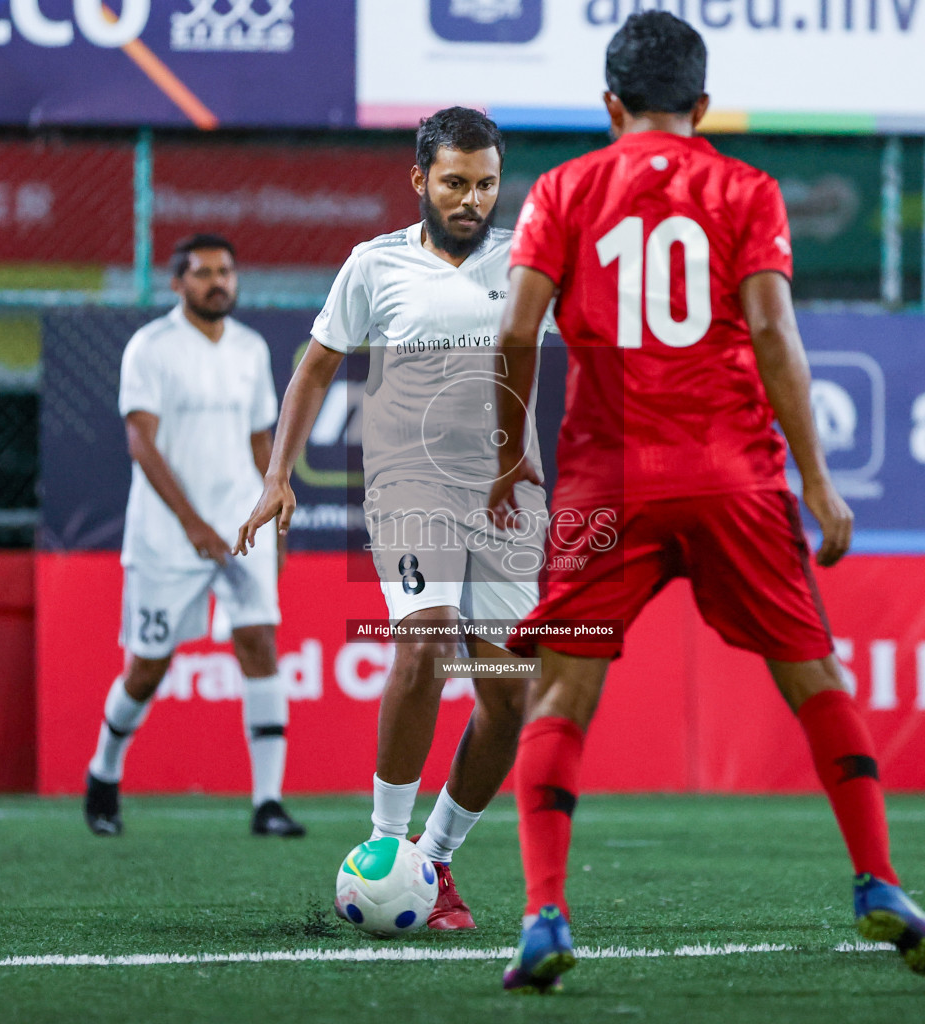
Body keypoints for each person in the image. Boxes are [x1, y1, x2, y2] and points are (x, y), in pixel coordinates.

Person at [486, 12, 925, 991]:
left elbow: (515, 332)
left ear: (609, 104)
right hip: (731, 472)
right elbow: (774, 332)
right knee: (812, 673)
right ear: (701, 106)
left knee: (564, 691)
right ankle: (877, 880)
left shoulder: (564, 189)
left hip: (605, 476)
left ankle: (543, 912)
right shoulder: (743, 188)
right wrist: (818, 477)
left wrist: (507, 461)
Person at [236, 107, 550, 930]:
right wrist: (277, 476)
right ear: (419, 180)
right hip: (412, 485)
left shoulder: (528, 260)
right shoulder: (372, 266)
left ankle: (435, 863)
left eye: (485, 183)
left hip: (509, 493)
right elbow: (312, 372)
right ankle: (385, 846)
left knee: (510, 695)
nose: (471, 198)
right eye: (454, 182)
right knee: (423, 644)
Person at [82, 234, 303, 840]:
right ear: (177, 283)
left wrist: (272, 499)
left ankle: (268, 801)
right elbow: (141, 444)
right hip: (167, 537)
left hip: (240, 529)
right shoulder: (150, 348)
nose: (218, 282)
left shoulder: (252, 348)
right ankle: (103, 772)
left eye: (226, 271)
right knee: (148, 667)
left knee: (259, 642)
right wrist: (192, 524)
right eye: (204, 273)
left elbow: (264, 437)